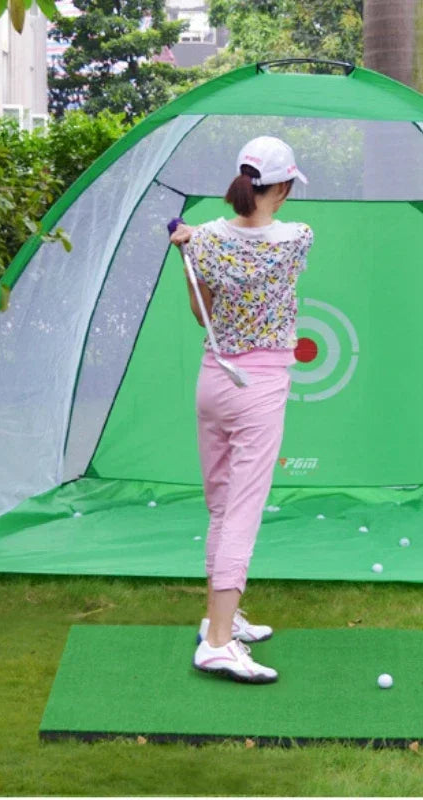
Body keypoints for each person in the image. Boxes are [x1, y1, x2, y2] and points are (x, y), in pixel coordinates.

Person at [169, 136, 313, 684]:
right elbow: (265, 245)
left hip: (213, 380)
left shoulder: (201, 239)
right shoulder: (298, 237)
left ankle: (217, 619)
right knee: (241, 515)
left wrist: (188, 249)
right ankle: (220, 644)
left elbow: (196, 309)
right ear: (280, 186)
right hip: (259, 387)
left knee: (222, 506)